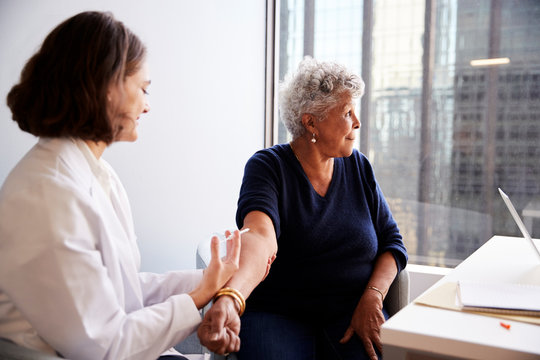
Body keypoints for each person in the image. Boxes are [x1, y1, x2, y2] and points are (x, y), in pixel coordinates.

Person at [0, 11, 242, 360]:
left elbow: (122, 293)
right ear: (108, 87)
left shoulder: (94, 174)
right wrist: (197, 297)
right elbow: (106, 347)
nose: (147, 105)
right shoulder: (46, 196)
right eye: (143, 89)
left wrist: (208, 280)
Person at [198, 57, 408, 360]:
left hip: (350, 312)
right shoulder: (268, 167)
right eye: (348, 112)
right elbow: (259, 235)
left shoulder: (359, 167)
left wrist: (372, 298)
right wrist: (231, 298)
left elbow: (392, 243)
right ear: (311, 122)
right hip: (277, 314)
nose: (357, 122)